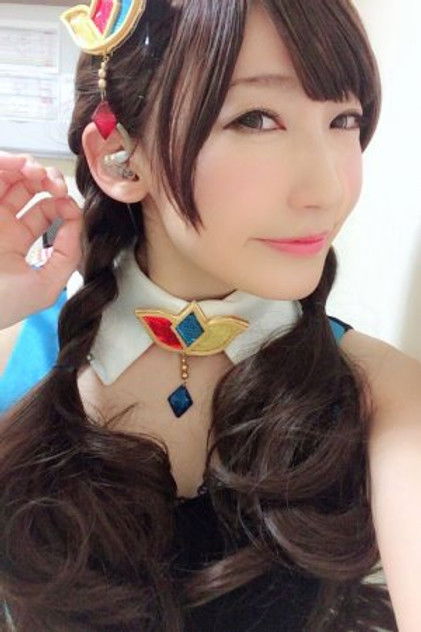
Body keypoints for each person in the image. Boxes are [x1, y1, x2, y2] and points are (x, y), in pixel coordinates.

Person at [1, 0, 420, 630]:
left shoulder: (385, 394)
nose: (328, 190)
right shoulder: (17, 358)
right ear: (120, 155)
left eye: (344, 120)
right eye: (257, 119)